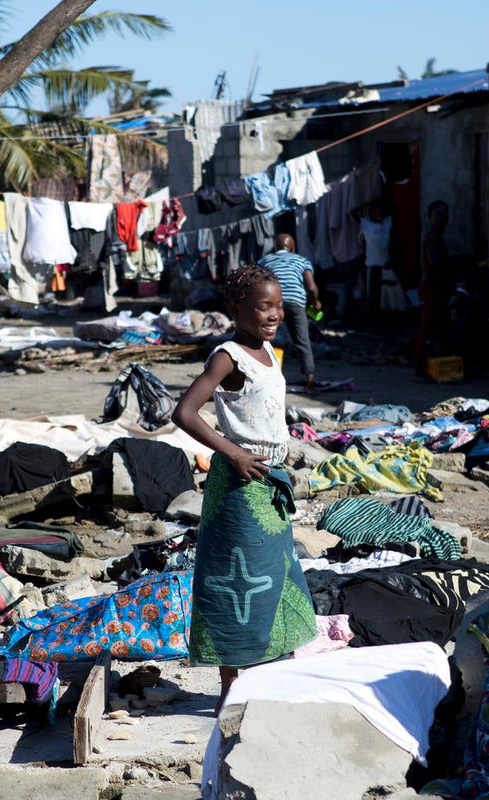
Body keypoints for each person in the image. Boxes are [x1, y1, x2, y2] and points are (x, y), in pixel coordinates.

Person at [170, 264, 317, 712]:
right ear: (237, 310)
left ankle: (270, 680)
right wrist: (233, 452)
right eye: (262, 307)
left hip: (269, 484)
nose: (273, 315)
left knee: (275, 579)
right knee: (233, 584)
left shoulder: (271, 352)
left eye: (277, 306)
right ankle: (230, 691)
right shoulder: (227, 355)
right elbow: (185, 412)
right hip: (238, 488)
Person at [257, 234, 322, 394]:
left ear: (275, 247)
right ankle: (310, 382)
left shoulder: (266, 260)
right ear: (292, 248)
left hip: (273, 301)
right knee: (302, 341)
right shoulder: (301, 260)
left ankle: (263, 381)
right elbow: (312, 287)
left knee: (265, 339)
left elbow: (257, 282)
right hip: (296, 302)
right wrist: (316, 303)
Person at [415, 200, 451, 372]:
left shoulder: (437, 235)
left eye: (445, 214)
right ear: (430, 217)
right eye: (438, 214)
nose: (442, 218)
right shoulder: (431, 235)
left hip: (435, 286)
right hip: (431, 286)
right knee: (427, 326)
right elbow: (436, 262)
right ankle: (420, 365)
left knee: (436, 326)